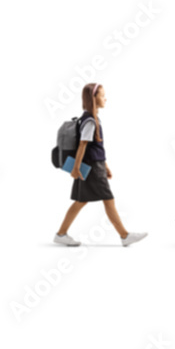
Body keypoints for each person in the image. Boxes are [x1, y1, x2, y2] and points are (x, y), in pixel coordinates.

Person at [54, 83, 147, 247]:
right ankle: (125, 236)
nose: (105, 99)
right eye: (102, 96)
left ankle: (61, 234)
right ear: (93, 98)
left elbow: (94, 147)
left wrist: (106, 166)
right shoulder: (90, 121)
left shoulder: (89, 118)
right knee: (108, 199)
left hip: (93, 165)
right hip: (92, 168)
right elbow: (83, 145)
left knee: (80, 201)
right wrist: (76, 168)